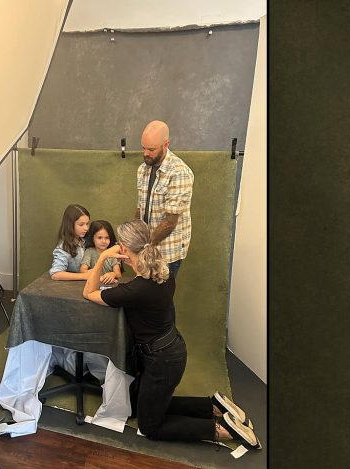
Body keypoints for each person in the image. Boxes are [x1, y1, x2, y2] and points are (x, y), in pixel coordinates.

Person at [82, 220, 258, 448]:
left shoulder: (134, 290)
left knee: (149, 427)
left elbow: (89, 292)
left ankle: (222, 430)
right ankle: (214, 406)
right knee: (137, 404)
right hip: (171, 352)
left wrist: (104, 257)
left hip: (161, 362)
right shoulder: (162, 274)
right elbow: (142, 275)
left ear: (123, 248)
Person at [135, 120, 193, 279]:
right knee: (147, 297)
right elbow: (140, 208)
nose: (146, 153)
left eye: (151, 149)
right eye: (143, 148)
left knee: (162, 299)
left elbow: (170, 221)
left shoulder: (178, 172)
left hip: (168, 250)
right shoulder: (143, 169)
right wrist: (134, 236)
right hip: (148, 246)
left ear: (166, 144)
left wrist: (146, 244)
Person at [49, 204, 91, 280]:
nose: (86, 228)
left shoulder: (87, 240)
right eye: (81, 225)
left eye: (87, 224)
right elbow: (55, 274)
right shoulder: (63, 247)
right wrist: (85, 276)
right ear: (70, 225)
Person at [80, 220, 123, 287]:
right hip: (93, 285)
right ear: (92, 238)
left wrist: (112, 274)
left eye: (107, 238)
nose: (103, 241)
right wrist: (95, 274)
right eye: (99, 238)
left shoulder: (112, 253)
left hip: (109, 286)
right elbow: (83, 270)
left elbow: (118, 274)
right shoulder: (89, 251)